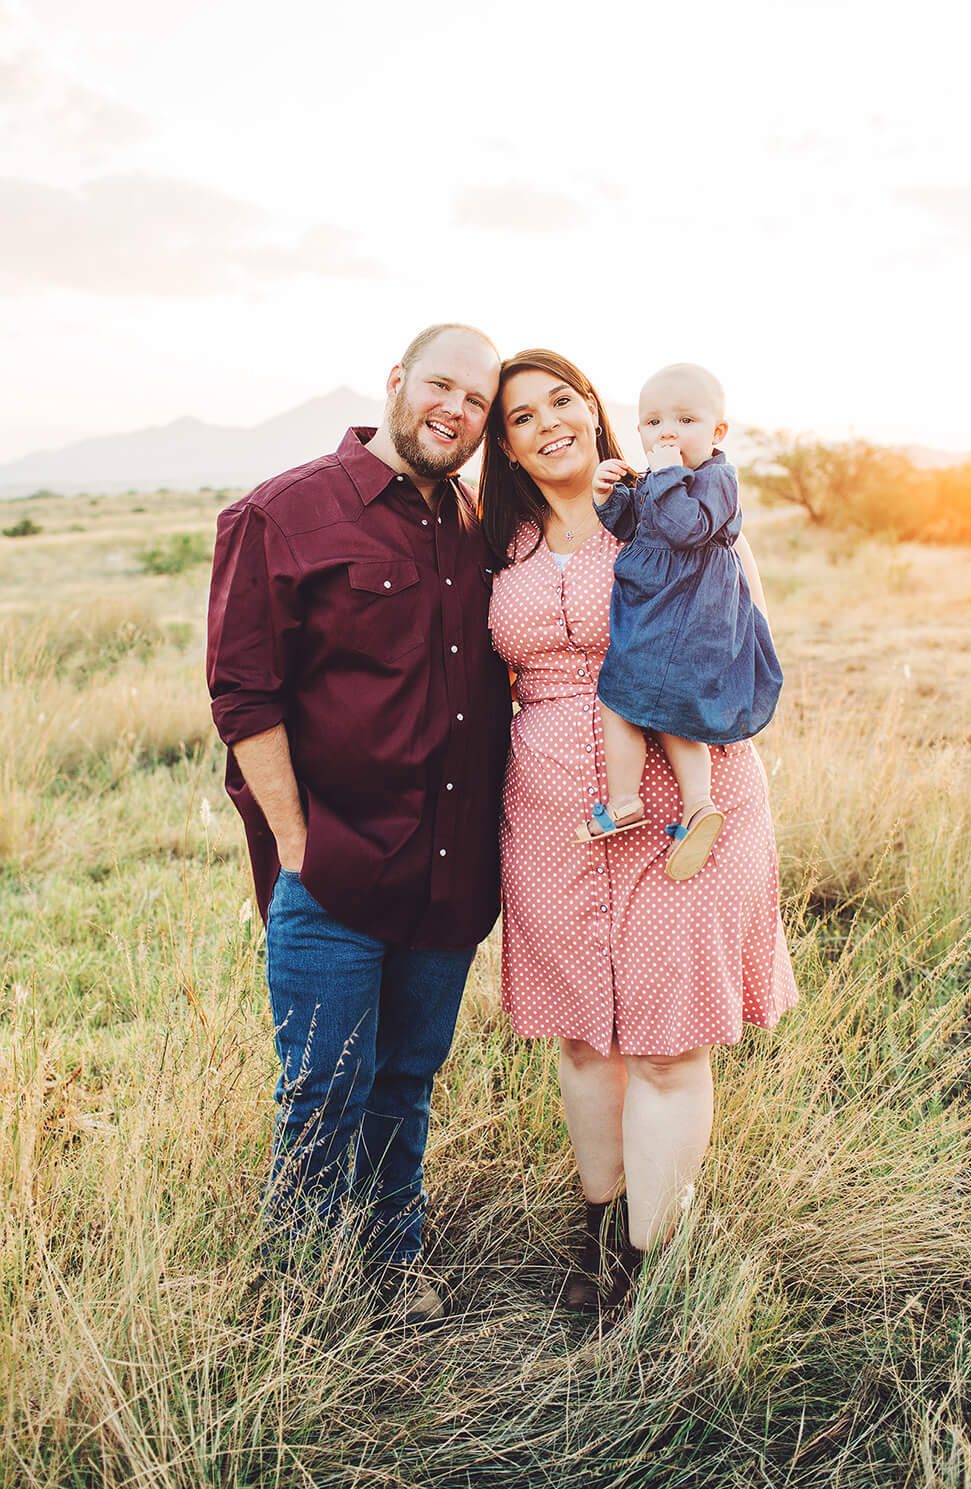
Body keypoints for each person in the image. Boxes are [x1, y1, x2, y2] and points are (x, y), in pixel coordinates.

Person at [478, 348, 798, 1313]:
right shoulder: (497, 542)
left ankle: (650, 1260)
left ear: (595, 407)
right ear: (506, 444)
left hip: (684, 800)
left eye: (562, 401)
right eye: (522, 416)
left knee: (665, 1043)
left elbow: (744, 640)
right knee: (582, 1037)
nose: (548, 424)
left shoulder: (674, 507)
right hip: (552, 814)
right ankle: (595, 1224)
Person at [206, 323, 509, 1323]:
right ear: (395, 382)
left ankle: (390, 1263)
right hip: (333, 869)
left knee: (405, 1081)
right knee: (323, 1090)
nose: (454, 410)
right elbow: (244, 696)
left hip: (448, 873)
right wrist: (297, 842)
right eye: (439, 385)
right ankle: (298, 1290)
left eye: (475, 398)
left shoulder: (477, 524)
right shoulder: (283, 512)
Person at [578, 363, 782, 882]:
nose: (666, 433)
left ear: (718, 433)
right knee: (666, 711)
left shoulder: (717, 478)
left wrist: (666, 473)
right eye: (652, 423)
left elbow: (685, 527)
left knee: (621, 696)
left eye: (685, 420)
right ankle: (697, 808)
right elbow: (634, 528)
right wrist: (609, 498)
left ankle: (628, 801)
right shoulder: (659, 479)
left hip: (686, 619)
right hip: (656, 609)